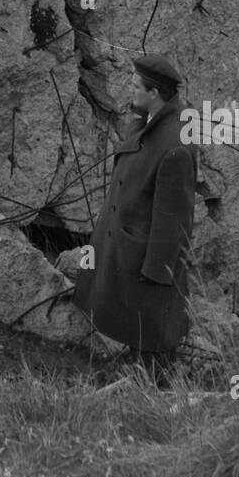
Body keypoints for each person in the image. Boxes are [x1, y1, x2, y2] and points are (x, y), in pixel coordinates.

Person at [72, 54, 197, 381]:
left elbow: (174, 221)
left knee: (152, 337)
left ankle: (153, 395)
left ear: (154, 92)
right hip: (124, 245)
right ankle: (136, 380)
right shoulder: (147, 120)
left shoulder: (176, 145)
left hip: (145, 259)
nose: (130, 89)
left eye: (136, 86)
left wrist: (158, 273)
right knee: (134, 330)